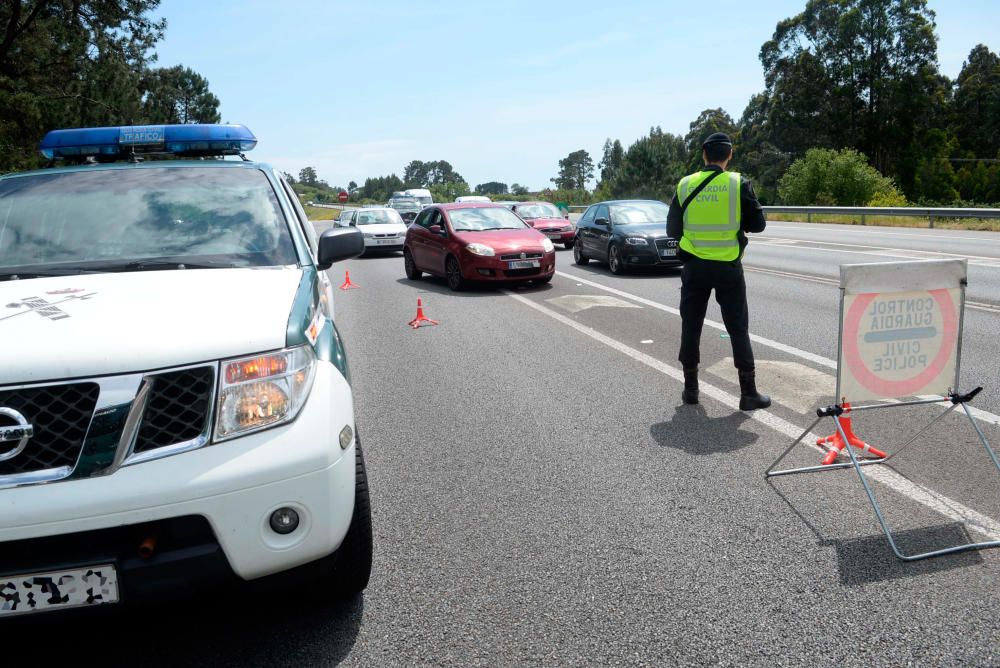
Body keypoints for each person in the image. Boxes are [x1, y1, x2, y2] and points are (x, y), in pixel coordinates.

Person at [666, 132, 771, 411]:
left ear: (703, 155)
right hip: (728, 268)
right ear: (730, 154)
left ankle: (690, 390)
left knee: (691, 326)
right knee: (738, 329)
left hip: (694, 268)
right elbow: (759, 225)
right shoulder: (738, 183)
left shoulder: (685, 184)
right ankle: (748, 393)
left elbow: (672, 230)